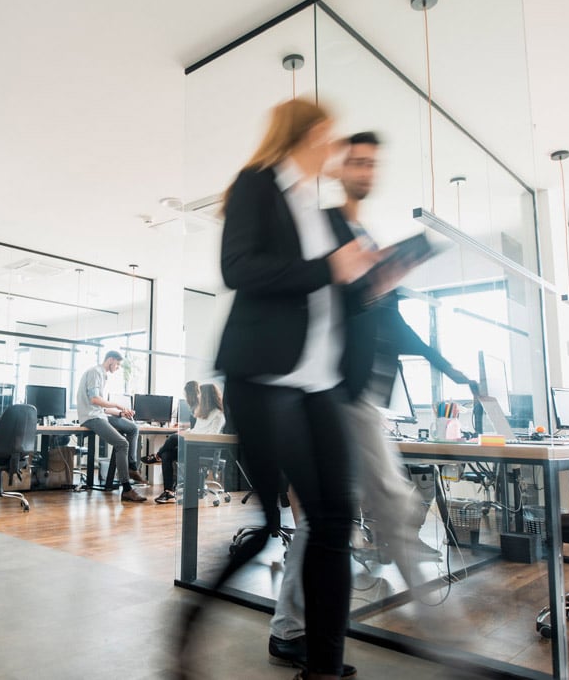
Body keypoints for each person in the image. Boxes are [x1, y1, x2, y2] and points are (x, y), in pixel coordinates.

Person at [176, 99, 414, 680]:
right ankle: (188, 627)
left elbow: (335, 294)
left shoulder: (319, 208)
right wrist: (330, 269)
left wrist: (374, 280)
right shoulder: (258, 185)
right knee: (267, 528)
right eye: (327, 136)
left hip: (321, 384)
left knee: (333, 519)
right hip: (263, 377)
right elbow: (240, 270)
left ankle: (324, 668)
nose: (333, 149)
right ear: (302, 135)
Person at [268, 131, 479, 671]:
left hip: (358, 395)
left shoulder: (361, 233)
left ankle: (290, 627)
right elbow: (328, 301)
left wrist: (449, 367)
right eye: (356, 161)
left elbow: (397, 324)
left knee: (329, 518)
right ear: (340, 169)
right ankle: (444, 635)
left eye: (371, 163)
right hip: (337, 391)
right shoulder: (333, 227)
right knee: (389, 501)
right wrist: (378, 273)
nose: (365, 170)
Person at [76, 350, 147, 502]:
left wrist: (120, 413)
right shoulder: (95, 372)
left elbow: (101, 407)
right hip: (90, 417)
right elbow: (95, 400)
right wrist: (117, 405)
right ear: (111, 360)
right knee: (122, 443)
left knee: (133, 428)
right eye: (118, 364)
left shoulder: (102, 375)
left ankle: (132, 467)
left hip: (99, 414)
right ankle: (127, 489)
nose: (118, 367)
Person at [154, 383, 225, 504]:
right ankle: (169, 492)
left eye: (200, 394)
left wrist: (187, 436)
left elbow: (212, 436)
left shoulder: (219, 414)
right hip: (192, 445)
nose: (198, 397)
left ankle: (156, 456)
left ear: (207, 396)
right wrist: (186, 433)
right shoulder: (202, 413)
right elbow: (196, 430)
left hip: (204, 448)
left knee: (172, 438)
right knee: (167, 455)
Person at [141, 380, 199, 464]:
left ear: (190, 395)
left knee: (173, 437)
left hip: (193, 442)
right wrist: (182, 425)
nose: (186, 398)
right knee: (165, 455)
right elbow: (195, 424)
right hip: (191, 437)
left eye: (186, 395)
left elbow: (197, 428)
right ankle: (159, 456)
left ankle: (156, 456)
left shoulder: (199, 408)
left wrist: (185, 433)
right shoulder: (194, 407)